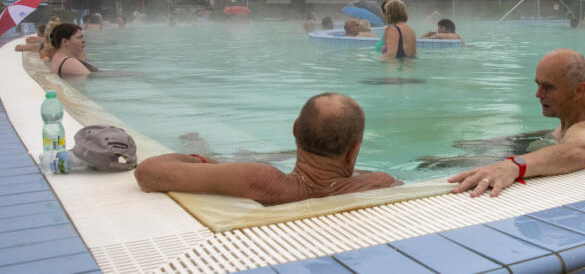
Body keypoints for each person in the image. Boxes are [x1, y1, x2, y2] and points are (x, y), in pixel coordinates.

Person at [134, 93, 397, 205]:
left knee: (218, 158)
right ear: (354, 150)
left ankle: (200, 147)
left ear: (295, 130)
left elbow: (147, 171)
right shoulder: (378, 183)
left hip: (240, 171)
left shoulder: (259, 179)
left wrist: (203, 161)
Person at [448, 49, 585, 197]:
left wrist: (513, 166)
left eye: (548, 87)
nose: (538, 94)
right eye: (538, 84)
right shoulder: (581, 110)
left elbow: (578, 152)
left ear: (579, 90)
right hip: (549, 141)